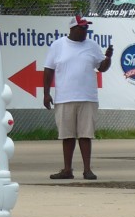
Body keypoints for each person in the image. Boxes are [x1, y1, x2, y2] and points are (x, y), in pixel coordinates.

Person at [43, 14, 113, 180]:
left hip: (87, 97)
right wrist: (46, 94)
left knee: (85, 135)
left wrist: (108, 58)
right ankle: (67, 170)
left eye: (87, 28)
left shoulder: (92, 46)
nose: (85, 31)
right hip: (64, 97)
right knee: (67, 136)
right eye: (82, 28)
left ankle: (87, 170)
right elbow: (48, 69)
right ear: (73, 28)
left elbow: (102, 68)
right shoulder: (58, 45)